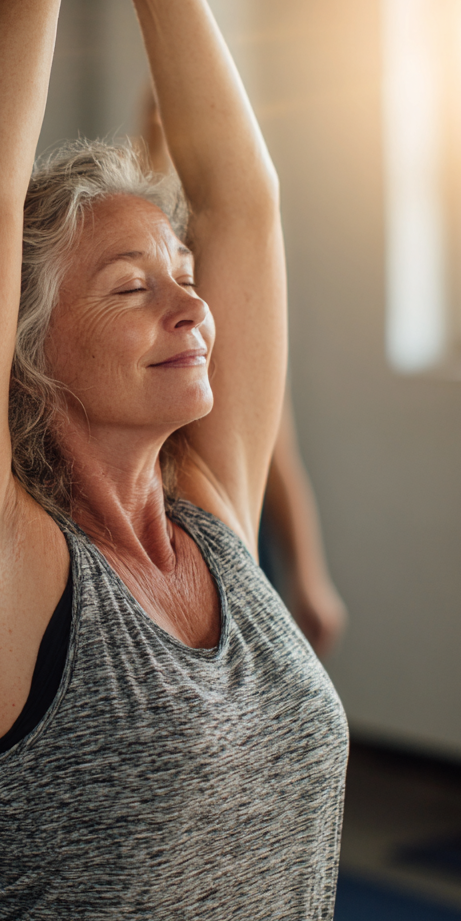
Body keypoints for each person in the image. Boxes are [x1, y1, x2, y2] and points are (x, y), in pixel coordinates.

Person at [0, 0, 349, 918]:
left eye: (183, 274)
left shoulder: (212, 510)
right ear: (26, 350)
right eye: (133, 287)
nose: (192, 306)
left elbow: (241, 199)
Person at [138, 88, 348, 656]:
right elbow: (147, 194)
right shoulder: (153, 293)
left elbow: (280, 453)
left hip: (228, 529)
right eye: (134, 286)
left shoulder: (216, 322)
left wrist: (310, 573)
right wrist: (155, 123)